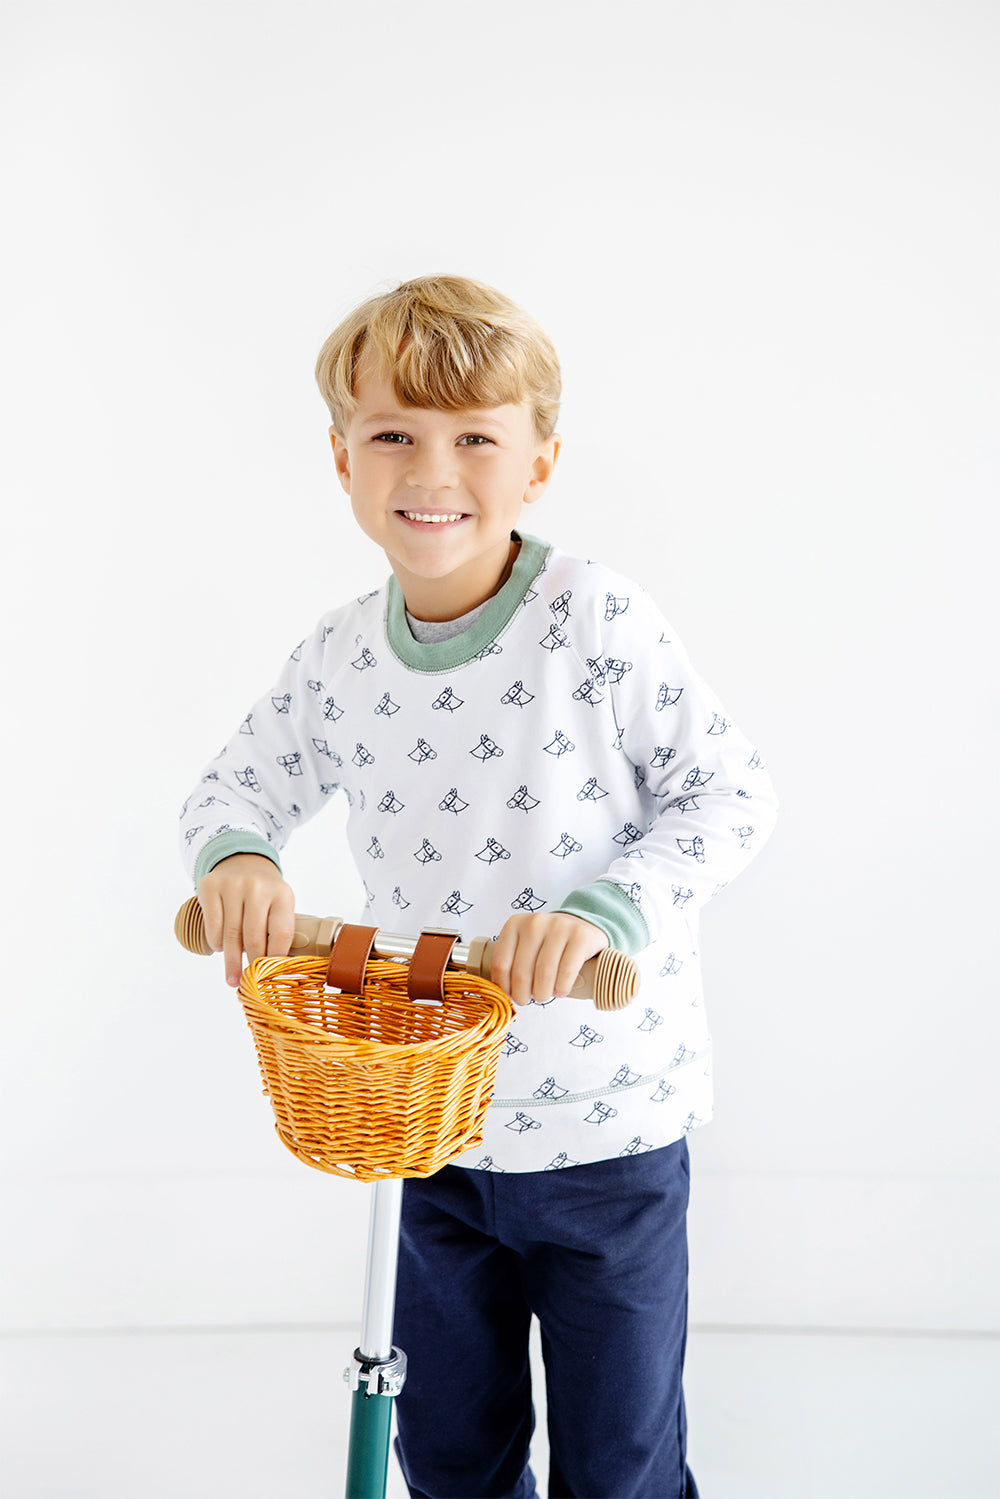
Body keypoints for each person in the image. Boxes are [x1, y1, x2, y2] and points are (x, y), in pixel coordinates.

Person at [179, 274, 777, 1499]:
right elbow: (235, 786)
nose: (430, 471)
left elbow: (730, 794)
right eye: (392, 435)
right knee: (449, 1455)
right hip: (426, 1129)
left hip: (606, 1128)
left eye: (474, 439)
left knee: (619, 1464)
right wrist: (238, 856)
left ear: (540, 461)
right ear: (341, 459)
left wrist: (603, 912)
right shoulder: (340, 656)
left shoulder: (593, 619)